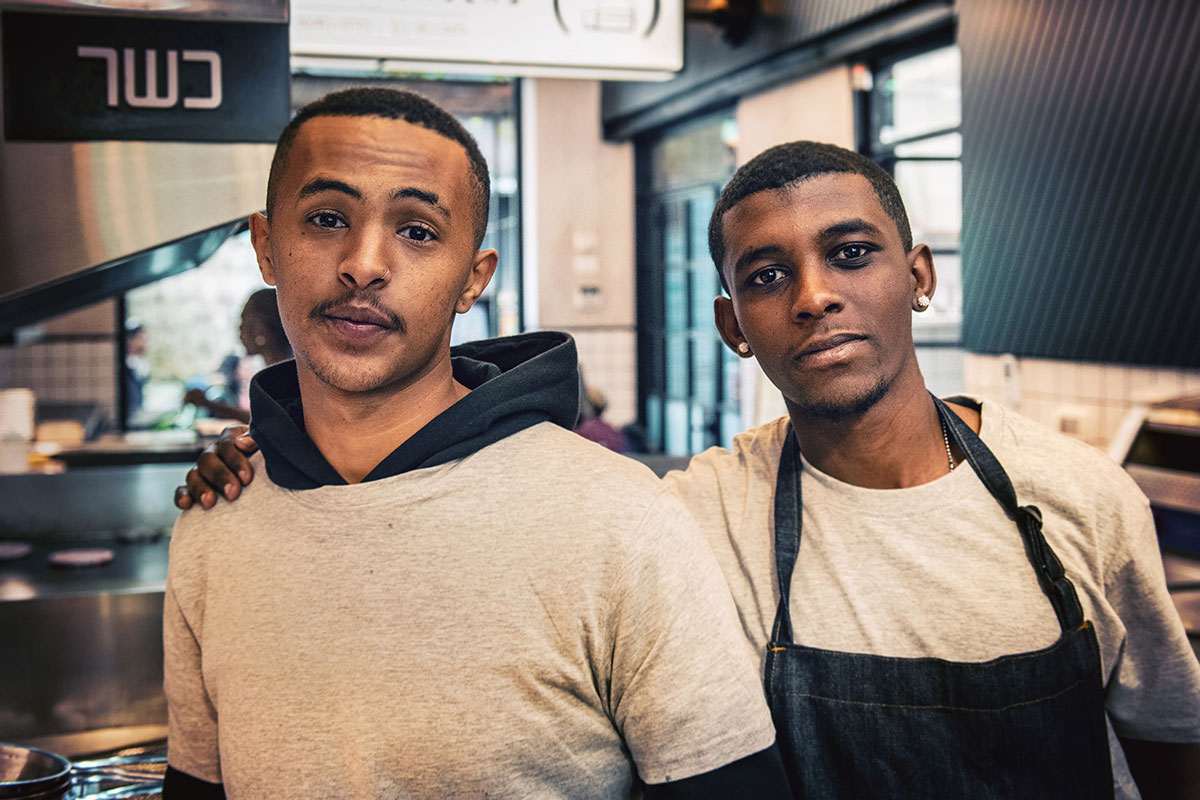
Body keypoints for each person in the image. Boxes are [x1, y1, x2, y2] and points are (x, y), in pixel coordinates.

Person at [176, 140, 1200, 798]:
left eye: (851, 252)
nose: (813, 295)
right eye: (766, 276)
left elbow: (1166, 742)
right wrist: (282, 453)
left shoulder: (1078, 497)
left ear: (919, 275)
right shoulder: (689, 511)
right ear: (733, 325)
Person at [162, 87, 787, 799]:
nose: (364, 263)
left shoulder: (616, 520)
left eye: (419, 231)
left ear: (473, 279)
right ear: (267, 247)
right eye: (328, 218)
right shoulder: (218, 521)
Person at [183, 288, 292, 423]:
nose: (240, 330)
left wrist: (208, 404)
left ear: (261, 330)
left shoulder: (286, 376)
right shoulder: (281, 370)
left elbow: (267, 422)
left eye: (243, 322)